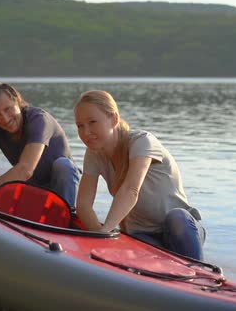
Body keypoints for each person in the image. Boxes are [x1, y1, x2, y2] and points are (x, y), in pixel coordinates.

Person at [74, 90, 205, 260]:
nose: (86, 132)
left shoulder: (142, 141)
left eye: (92, 122)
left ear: (113, 119)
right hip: (144, 235)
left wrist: (105, 230)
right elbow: (83, 204)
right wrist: (99, 234)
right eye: (80, 126)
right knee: (130, 244)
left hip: (182, 230)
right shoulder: (94, 154)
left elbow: (131, 190)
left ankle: (201, 276)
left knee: (177, 217)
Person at [0, 82, 81, 207]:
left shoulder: (38, 120)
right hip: (32, 185)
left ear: (17, 101)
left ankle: (67, 213)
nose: (6, 119)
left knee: (63, 165)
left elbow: (25, 170)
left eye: (8, 109)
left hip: (61, 185)